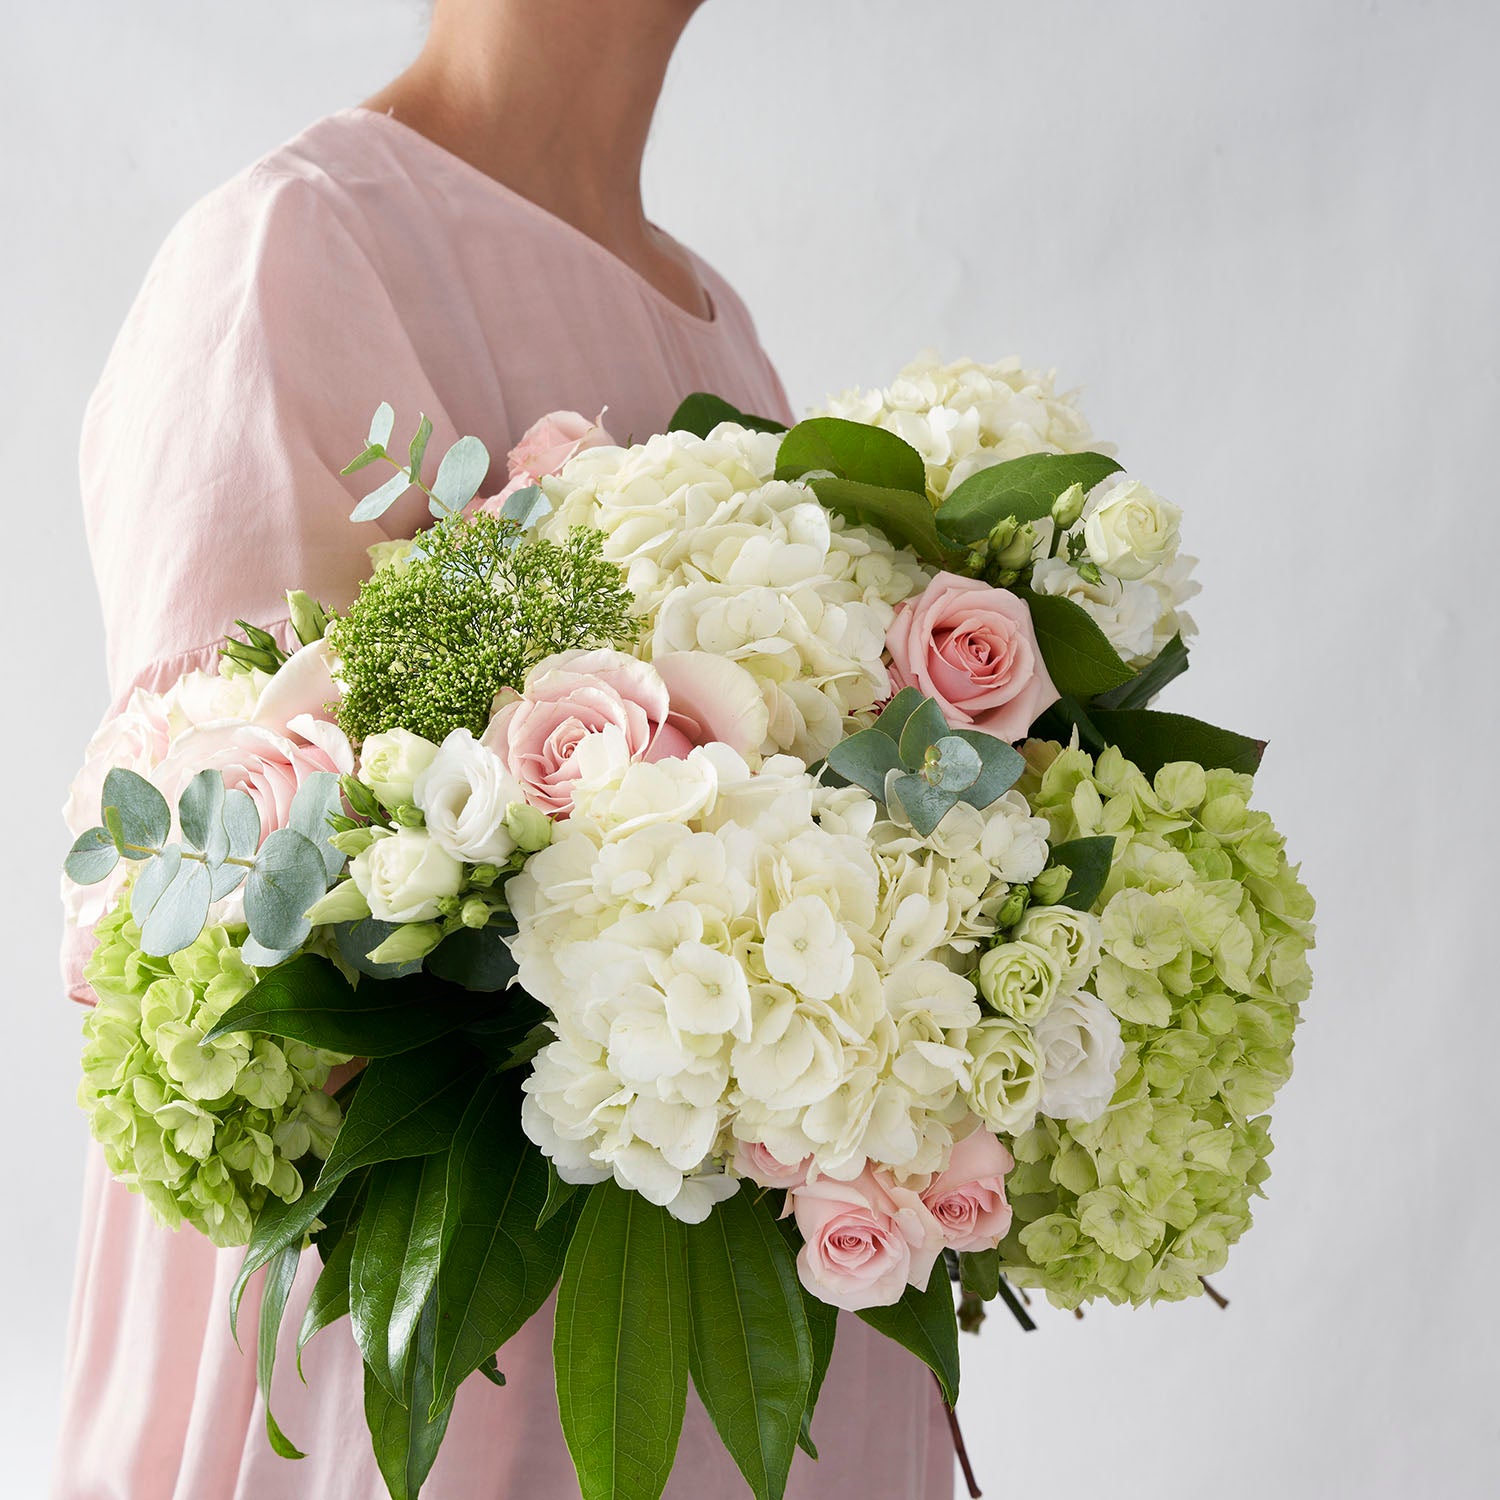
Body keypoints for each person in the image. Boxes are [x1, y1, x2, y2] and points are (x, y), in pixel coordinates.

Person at [53, 2, 955, 1496]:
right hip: (473, 1392)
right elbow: (229, 938)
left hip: (759, 1363)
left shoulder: (715, 320)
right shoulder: (297, 252)